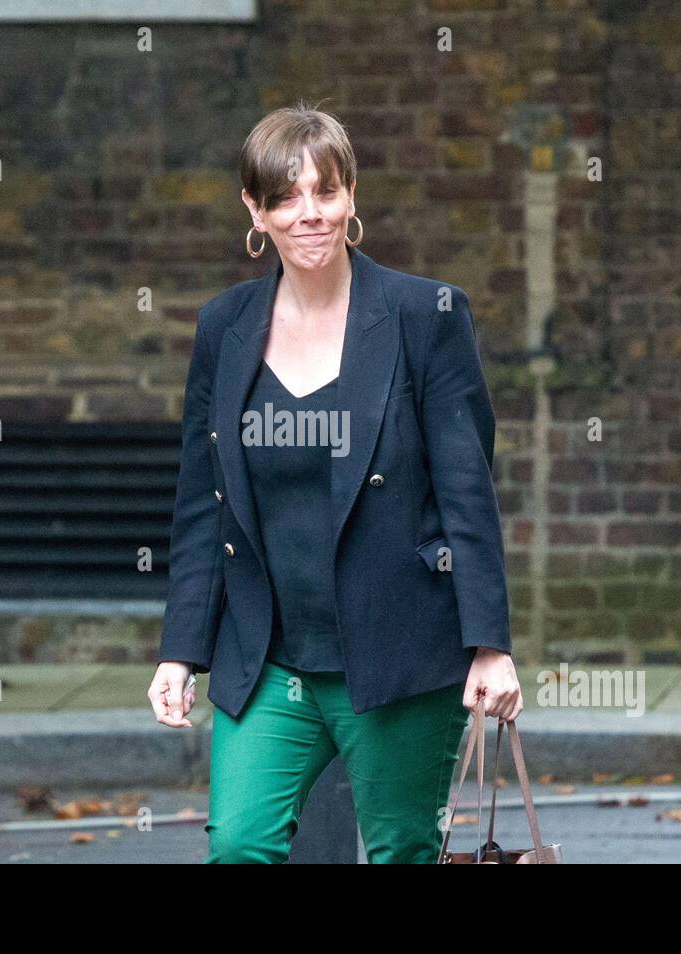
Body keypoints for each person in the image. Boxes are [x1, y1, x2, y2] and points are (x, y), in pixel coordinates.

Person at [147, 102, 522, 863]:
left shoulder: (425, 315)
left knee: (400, 851)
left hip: (398, 652)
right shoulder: (225, 326)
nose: (309, 214)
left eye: (326, 191)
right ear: (255, 209)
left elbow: (467, 494)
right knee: (240, 846)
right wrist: (181, 649)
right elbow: (201, 504)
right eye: (286, 196)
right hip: (269, 659)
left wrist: (490, 643)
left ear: (352, 197)